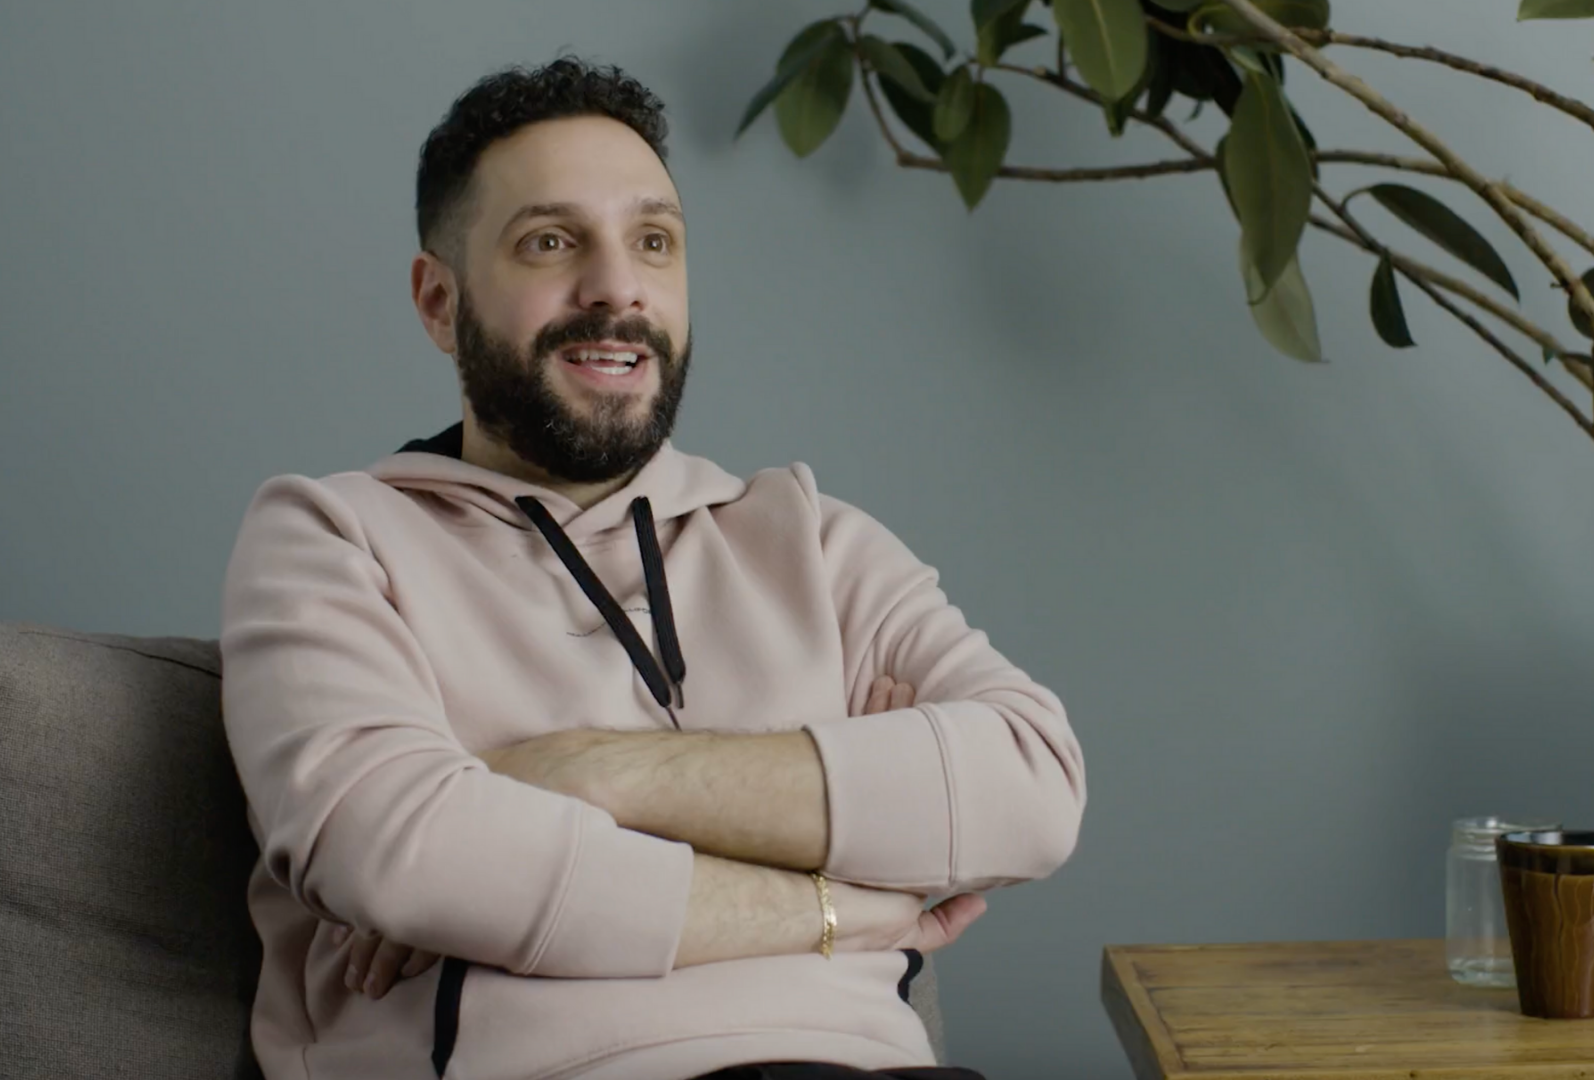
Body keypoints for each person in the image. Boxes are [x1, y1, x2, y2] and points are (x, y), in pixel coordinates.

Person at [219, 58, 1086, 1080]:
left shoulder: (809, 538)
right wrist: (847, 895)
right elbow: (395, 853)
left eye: (654, 242)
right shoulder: (329, 539)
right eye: (551, 242)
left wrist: (578, 776)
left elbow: (1031, 786)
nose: (617, 287)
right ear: (439, 302)